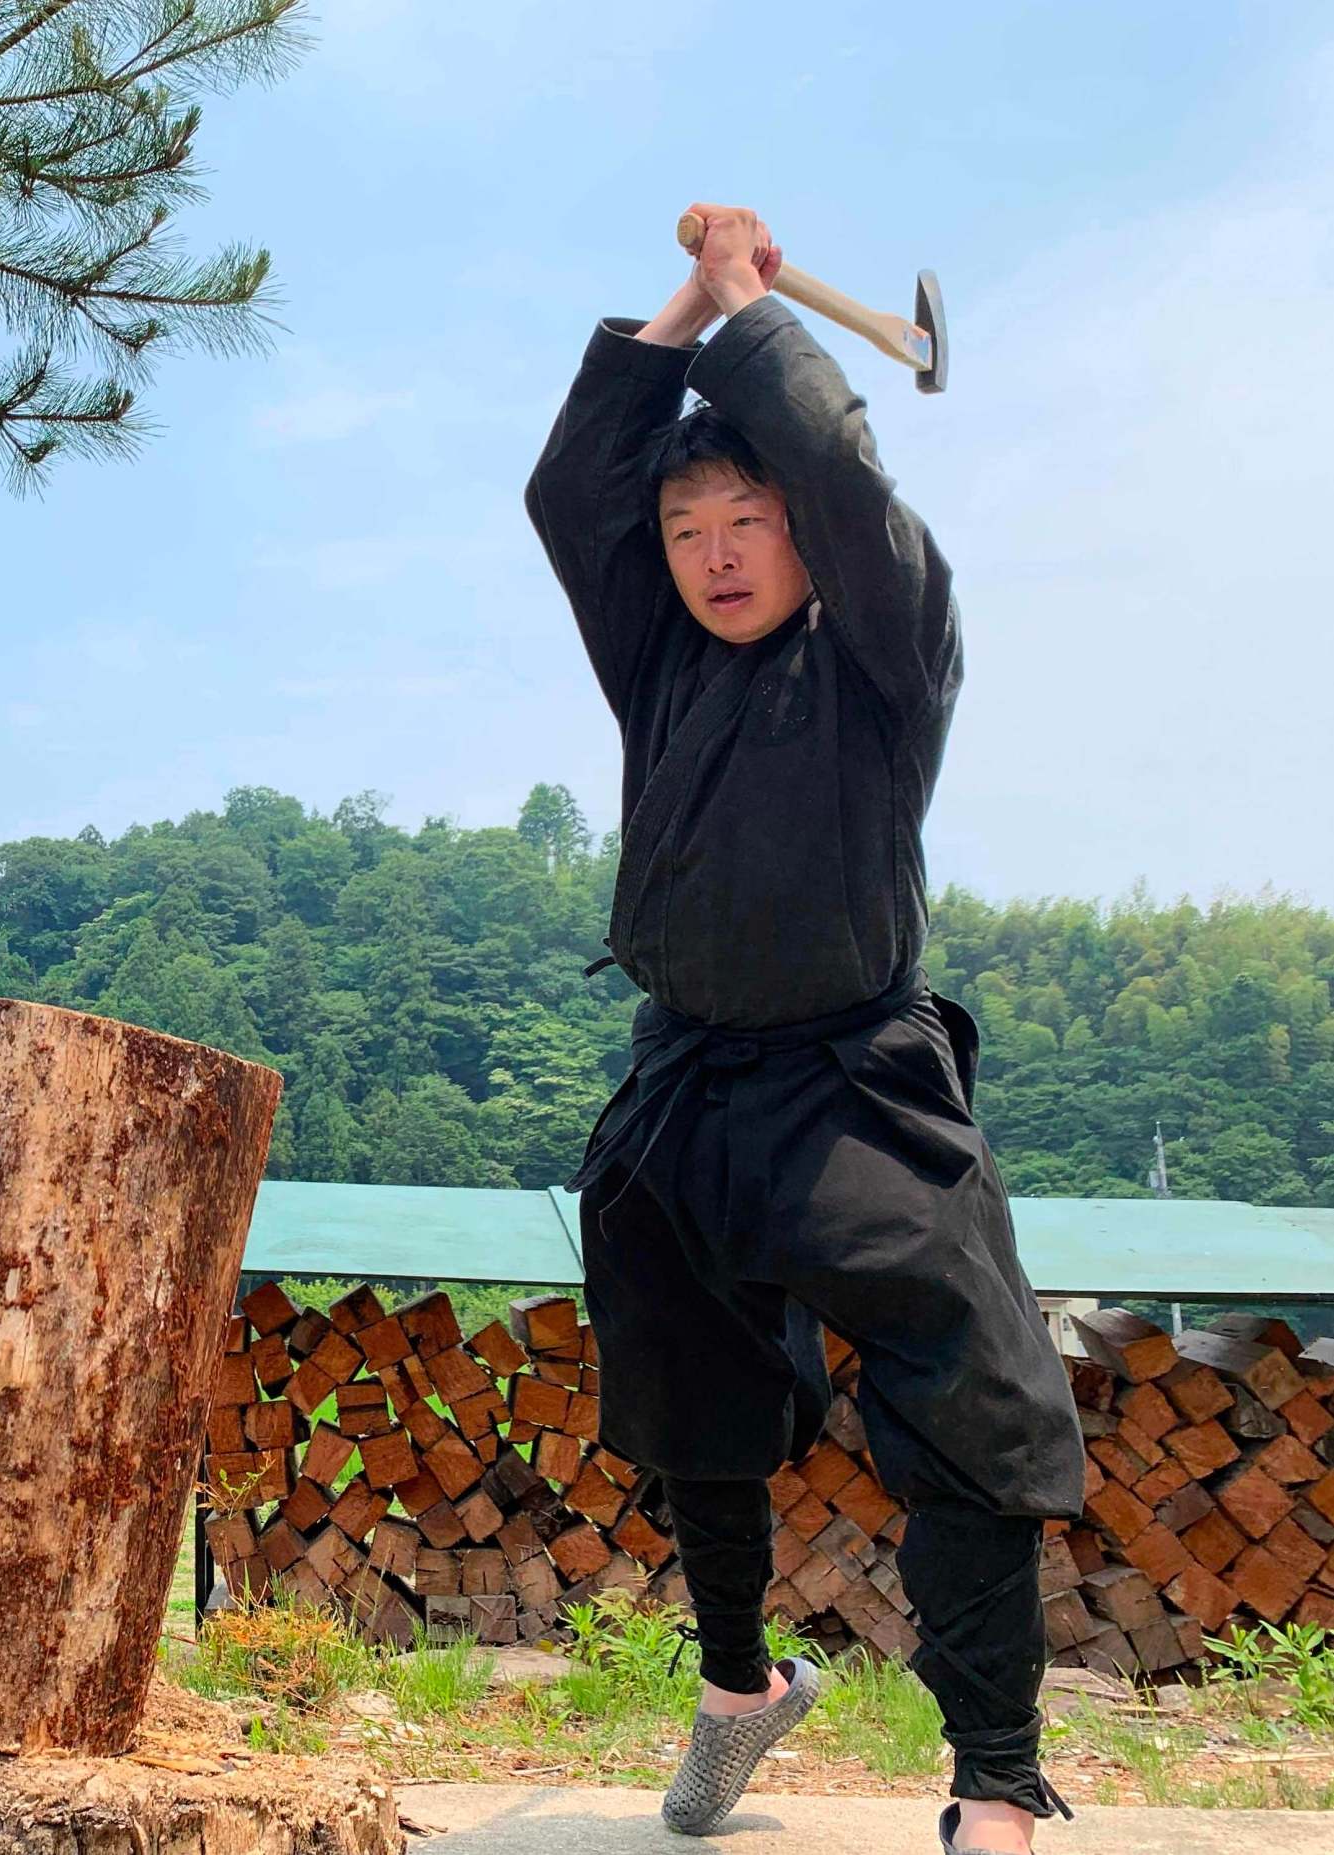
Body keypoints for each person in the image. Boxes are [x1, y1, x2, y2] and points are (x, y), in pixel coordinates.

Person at [523, 204, 1086, 1855]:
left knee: (969, 1408)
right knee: (685, 1390)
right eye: (687, 522)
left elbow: (848, 480)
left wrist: (761, 322)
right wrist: (689, 302)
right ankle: (734, 1689)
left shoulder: (887, 648)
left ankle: (995, 1784)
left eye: (744, 516)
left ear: (802, 531)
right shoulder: (658, 667)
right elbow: (571, 494)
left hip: (855, 1088)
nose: (709, 550)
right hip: (685, 1079)